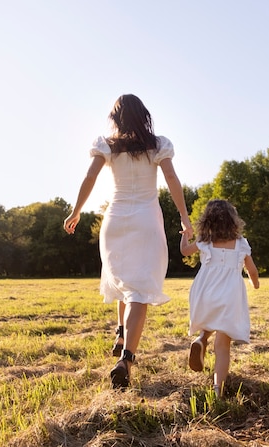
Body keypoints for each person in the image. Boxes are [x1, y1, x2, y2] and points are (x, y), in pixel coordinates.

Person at [64, 94, 193, 389]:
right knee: (139, 289)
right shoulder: (158, 144)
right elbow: (172, 179)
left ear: (116, 119)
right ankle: (127, 358)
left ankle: (121, 331)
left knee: (123, 279)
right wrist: (184, 218)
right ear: (143, 115)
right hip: (147, 220)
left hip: (116, 219)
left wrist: (76, 211)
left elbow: (89, 177)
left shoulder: (107, 145)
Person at [180, 199, 259, 397]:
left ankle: (201, 339)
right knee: (223, 346)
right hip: (230, 294)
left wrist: (186, 236)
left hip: (205, 291)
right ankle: (218, 389)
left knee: (210, 320)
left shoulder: (204, 240)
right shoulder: (241, 243)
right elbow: (252, 270)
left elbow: (184, 251)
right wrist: (255, 283)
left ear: (207, 220)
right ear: (233, 220)